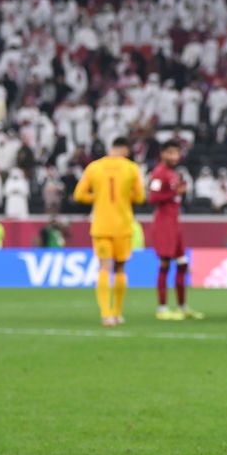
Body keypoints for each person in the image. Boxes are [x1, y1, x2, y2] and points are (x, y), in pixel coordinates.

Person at [74, 136, 145, 327]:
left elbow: (79, 194)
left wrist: (98, 198)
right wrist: (124, 197)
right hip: (123, 225)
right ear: (126, 151)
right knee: (120, 268)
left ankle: (106, 315)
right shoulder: (131, 168)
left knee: (104, 268)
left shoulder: (94, 167)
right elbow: (140, 197)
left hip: (101, 226)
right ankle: (117, 313)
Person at [149, 139, 203, 321]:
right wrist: (175, 193)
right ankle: (162, 308)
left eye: (176, 153)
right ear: (163, 154)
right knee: (165, 265)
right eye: (170, 153)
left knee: (182, 264)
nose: (174, 156)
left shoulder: (173, 173)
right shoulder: (159, 173)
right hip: (164, 224)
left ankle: (182, 306)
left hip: (175, 223)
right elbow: (153, 197)